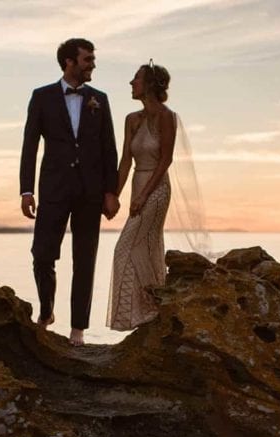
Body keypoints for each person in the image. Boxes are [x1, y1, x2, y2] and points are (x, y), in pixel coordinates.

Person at [20, 38, 120, 346]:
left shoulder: (99, 99)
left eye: (92, 59)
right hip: (53, 188)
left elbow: (109, 149)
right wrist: (26, 190)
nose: (93, 64)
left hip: (90, 191)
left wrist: (110, 191)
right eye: (87, 59)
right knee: (42, 254)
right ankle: (47, 311)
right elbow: (30, 145)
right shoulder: (42, 97)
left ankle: (78, 331)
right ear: (69, 62)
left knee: (85, 259)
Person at [107, 62, 176, 331]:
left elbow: (166, 160)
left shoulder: (167, 117)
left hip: (157, 189)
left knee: (125, 247)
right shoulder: (131, 119)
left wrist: (144, 195)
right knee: (145, 247)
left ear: (149, 85)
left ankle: (148, 308)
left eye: (136, 78)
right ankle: (152, 309)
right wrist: (114, 195)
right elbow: (125, 161)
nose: (131, 83)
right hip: (137, 183)